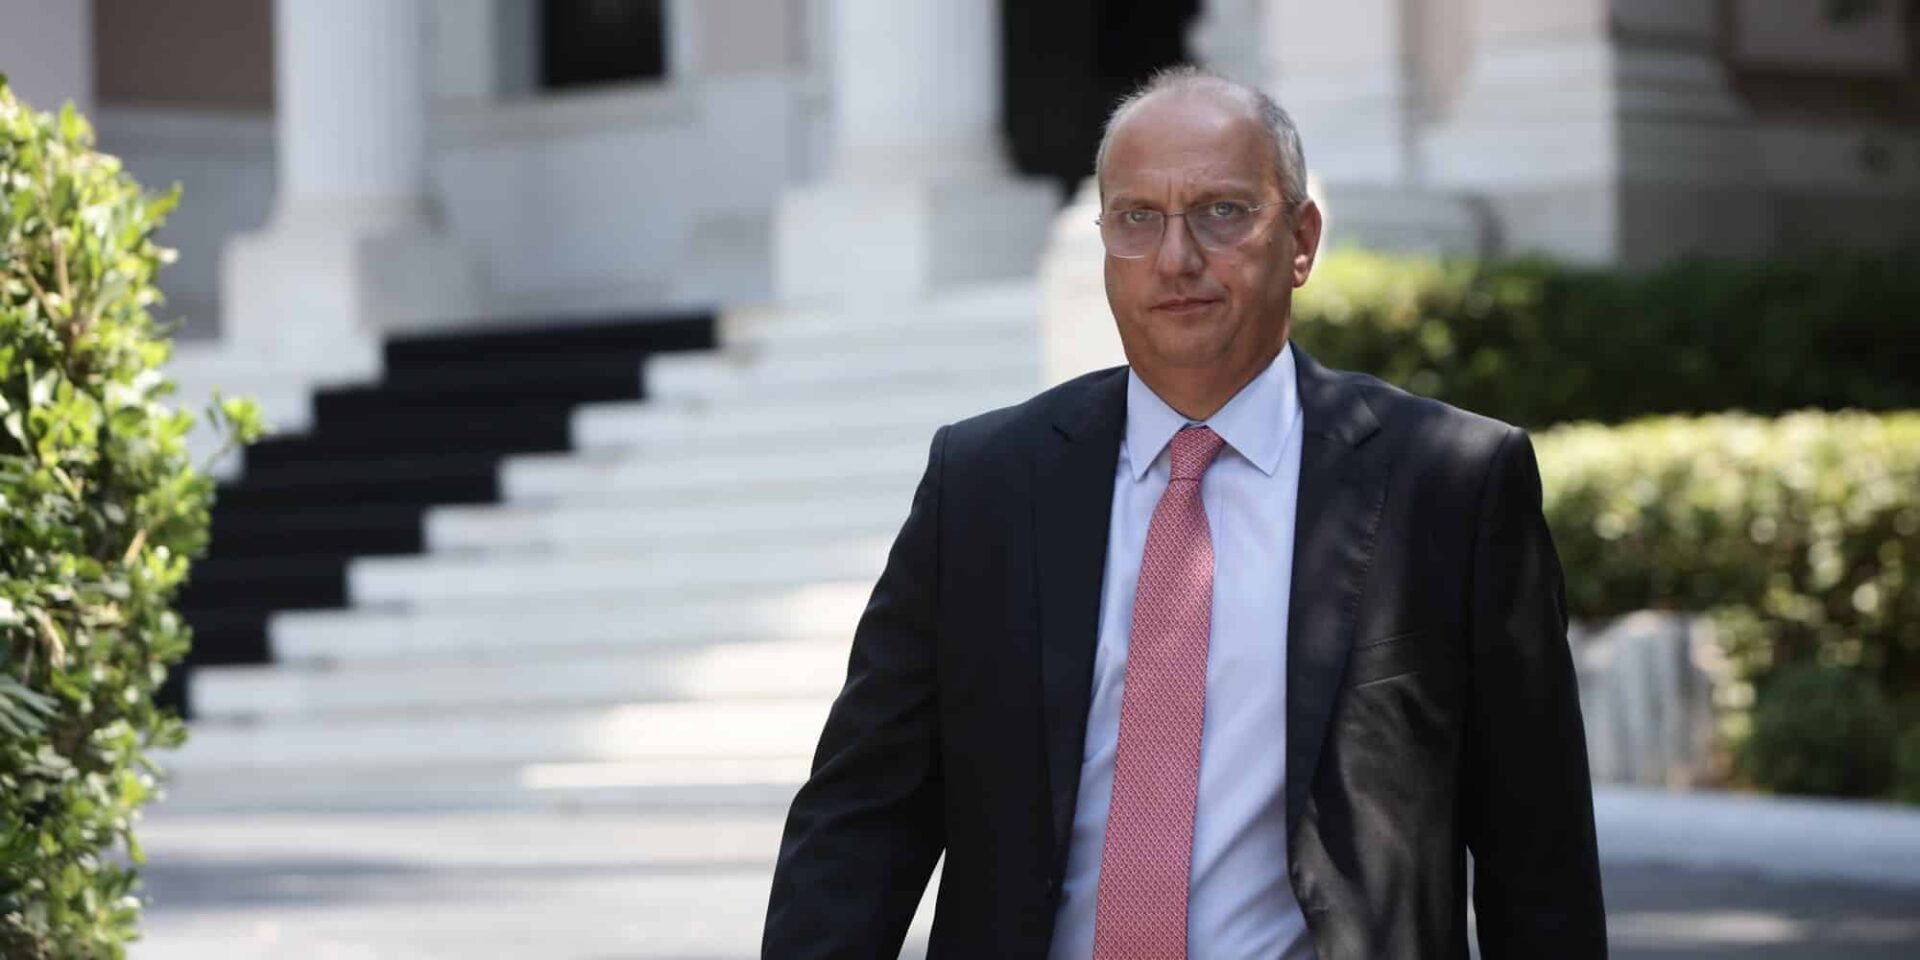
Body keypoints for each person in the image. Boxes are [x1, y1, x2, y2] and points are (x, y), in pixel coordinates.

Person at [762, 66, 1606, 959]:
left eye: (1222, 211)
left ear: (1301, 241)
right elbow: (863, 816)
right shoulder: (983, 486)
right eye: (1137, 218)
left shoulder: (1452, 485)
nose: (1176, 258)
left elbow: (1538, 859)